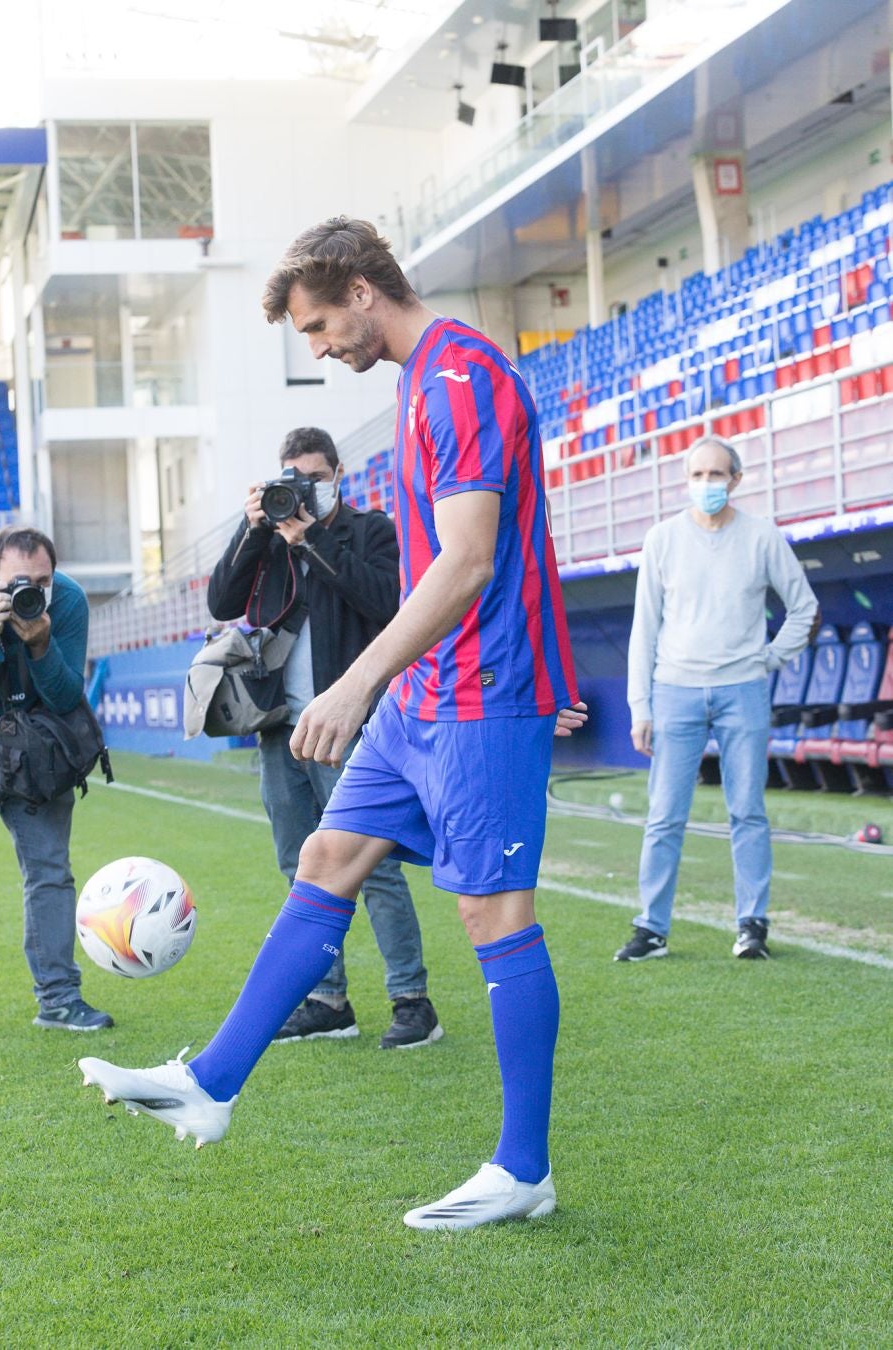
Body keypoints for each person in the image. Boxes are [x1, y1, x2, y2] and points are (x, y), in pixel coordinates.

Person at [78, 216, 587, 1231]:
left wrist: (354, 682)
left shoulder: (460, 378)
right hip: (426, 695)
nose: (316, 348)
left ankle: (524, 1169)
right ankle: (213, 1084)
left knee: (493, 915)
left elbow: (468, 561)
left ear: (362, 288)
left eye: (317, 325)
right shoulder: (419, 384)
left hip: (486, 691)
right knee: (325, 856)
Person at [208, 424, 441, 1049]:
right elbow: (221, 598)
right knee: (300, 865)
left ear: (337, 473)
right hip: (280, 727)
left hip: (355, 727)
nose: (302, 488)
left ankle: (411, 1000)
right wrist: (252, 528)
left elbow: (384, 600)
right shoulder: (269, 538)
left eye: (313, 476)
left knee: (376, 866)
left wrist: (310, 538)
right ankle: (327, 998)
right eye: (292, 477)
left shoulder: (370, 531)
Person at [615, 436, 819, 963]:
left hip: (743, 690)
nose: (706, 483)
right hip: (674, 691)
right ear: (686, 480)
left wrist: (768, 659)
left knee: (747, 811)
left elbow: (803, 608)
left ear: (736, 479)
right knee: (664, 815)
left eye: (716, 474)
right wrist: (641, 706)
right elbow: (645, 629)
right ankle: (651, 928)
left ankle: (752, 925)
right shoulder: (662, 539)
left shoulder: (762, 537)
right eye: (698, 474)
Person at [0, 526, 113, 1031]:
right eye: (19, 583)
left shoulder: (66, 600)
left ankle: (59, 1000)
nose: (31, 592)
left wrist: (40, 645)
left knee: (49, 872)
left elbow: (66, 697)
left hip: (34, 752)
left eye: (42, 580)